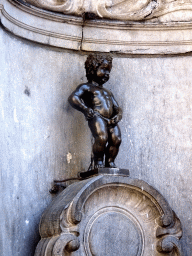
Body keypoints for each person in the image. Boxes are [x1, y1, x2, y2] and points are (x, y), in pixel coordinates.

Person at [68, 53, 122, 169]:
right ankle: (98, 161)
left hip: (111, 119)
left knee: (116, 139)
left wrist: (118, 116)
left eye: (109, 71)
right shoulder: (86, 87)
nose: (107, 74)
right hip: (97, 116)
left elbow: (117, 107)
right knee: (102, 138)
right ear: (93, 68)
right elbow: (73, 98)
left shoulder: (108, 92)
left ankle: (110, 162)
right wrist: (85, 109)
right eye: (104, 69)